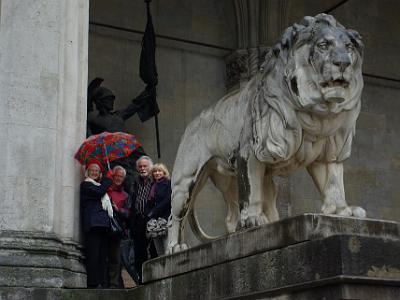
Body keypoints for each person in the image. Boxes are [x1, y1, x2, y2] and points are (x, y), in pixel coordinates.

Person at [80, 159, 113, 288]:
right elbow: (99, 192)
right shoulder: (86, 185)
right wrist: (107, 180)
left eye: (97, 171)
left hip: (103, 225)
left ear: (100, 173)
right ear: (87, 172)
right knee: (93, 254)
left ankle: (101, 281)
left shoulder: (100, 185)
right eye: (92, 170)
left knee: (102, 255)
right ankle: (93, 282)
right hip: (93, 225)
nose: (94, 172)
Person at [129, 155, 157, 283]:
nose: (142, 168)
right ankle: (142, 278)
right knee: (139, 252)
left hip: (152, 219)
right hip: (138, 221)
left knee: (154, 249)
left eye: (145, 166)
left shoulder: (156, 180)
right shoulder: (135, 182)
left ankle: (155, 276)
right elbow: (132, 201)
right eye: (140, 166)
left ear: (150, 167)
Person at [107, 165, 130, 288]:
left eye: (121, 176)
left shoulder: (125, 195)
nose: (118, 178)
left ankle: (114, 285)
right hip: (103, 227)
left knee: (115, 259)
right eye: (116, 176)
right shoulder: (106, 189)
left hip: (116, 230)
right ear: (113, 176)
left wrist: (118, 209)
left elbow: (128, 213)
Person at [146, 163, 172, 256]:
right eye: (155, 171)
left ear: (164, 172)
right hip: (154, 221)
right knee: (159, 251)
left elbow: (167, 200)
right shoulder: (152, 186)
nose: (157, 173)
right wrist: (148, 214)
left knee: (167, 248)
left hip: (165, 218)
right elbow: (149, 202)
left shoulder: (168, 183)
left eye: (159, 171)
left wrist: (154, 211)